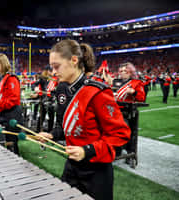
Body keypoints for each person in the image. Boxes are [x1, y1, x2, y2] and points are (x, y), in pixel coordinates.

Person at [37, 40, 130, 200]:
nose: (53, 72)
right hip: (72, 166)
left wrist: (86, 151)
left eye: (56, 66)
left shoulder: (98, 92)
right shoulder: (62, 90)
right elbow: (64, 126)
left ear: (74, 60)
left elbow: (120, 134)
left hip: (97, 171)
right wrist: (51, 135)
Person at [0, 53, 24, 155]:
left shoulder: (11, 79)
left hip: (12, 115)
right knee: (3, 141)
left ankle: (16, 164)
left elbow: (13, 100)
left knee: (11, 143)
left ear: (2, 64)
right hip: (4, 114)